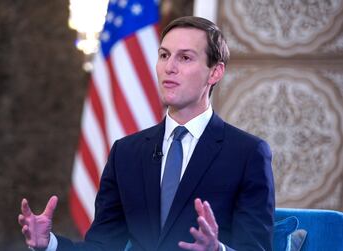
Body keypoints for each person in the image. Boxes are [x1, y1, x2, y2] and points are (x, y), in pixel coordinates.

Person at [18, 16, 275, 251]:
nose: (169, 67)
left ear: (215, 72)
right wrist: (49, 244)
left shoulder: (247, 153)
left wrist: (217, 250)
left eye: (185, 58)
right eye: (164, 55)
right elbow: (103, 246)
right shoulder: (126, 153)